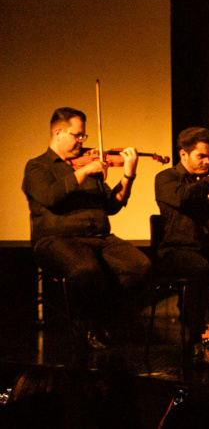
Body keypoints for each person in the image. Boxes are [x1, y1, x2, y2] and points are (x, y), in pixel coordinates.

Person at [22, 108, 150, 349]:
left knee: (140, 266)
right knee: (86, 270)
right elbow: (51, 197)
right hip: (56, 240)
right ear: (58, 132)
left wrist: (128, 177)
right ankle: (86, 330)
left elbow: (112, 205)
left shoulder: (89, 166)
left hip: (99, 238)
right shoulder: (38, 167)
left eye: (84, 136)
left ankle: (111, 320)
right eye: (77, 135)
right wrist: (82, 172)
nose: (82, 141)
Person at [154, 127, 209, 365]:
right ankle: (194, 336)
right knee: (199, 268)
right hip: (176, 250)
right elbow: (183, 197)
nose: (207, 161)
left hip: (208, 252)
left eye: (208, 156)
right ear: (183, 155)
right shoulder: (167, 178)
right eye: (201, 156)